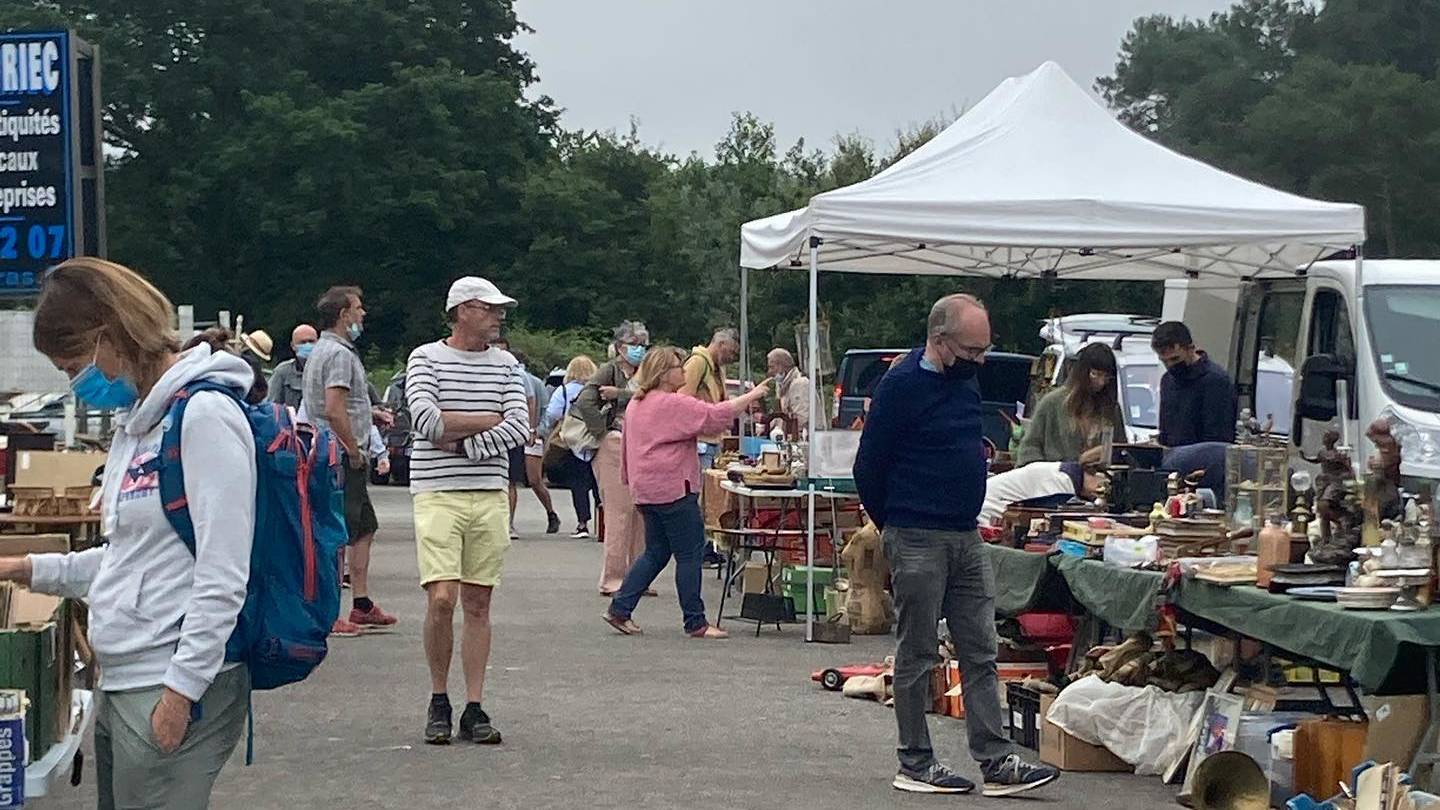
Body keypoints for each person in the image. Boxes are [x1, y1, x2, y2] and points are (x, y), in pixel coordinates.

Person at [0, 258, 255, 808]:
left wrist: (181, 692)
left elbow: (224, 570)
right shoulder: (138, 425)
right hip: (127, 679)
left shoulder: (204, 416)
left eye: (72, 366)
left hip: (170, 680)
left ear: (110, 336)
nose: (74, 383)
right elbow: (130, 556)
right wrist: (29, 569)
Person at [853, 293, 1059, 797]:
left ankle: (995, 759)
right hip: (917, 532)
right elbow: (868, 466)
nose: (980, 361)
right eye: (971, 350)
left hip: (965, 533)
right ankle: (916, 761)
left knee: (980, 648)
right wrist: (895, 523)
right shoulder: (901, 386)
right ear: (939, 340)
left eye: (984, 349)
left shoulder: (965, 382)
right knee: (917, 650)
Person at [406, 276, 530, 746]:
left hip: (488, 490)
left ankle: (474, 704)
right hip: (437, 490)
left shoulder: (507, 364)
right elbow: (425, 419)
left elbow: (520, 425)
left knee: (479, 601)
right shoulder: (426, 358)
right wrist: (488, 420)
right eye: (490, 308)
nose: (499, 316)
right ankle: (439, 696)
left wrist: (464, 442)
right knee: (441, 597)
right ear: (462, 311)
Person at [601, 347, 770, 639]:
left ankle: (621, 608)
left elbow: (629, 446)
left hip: (646, 490)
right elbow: (715, 416)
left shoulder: (636, 404)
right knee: (690, 553)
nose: (684, 371)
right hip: (673, 488)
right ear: (665, 374)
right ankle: (696, 622)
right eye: (679, 367)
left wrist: (630, 481)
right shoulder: (672, 404)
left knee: (656, 551)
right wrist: (752, 396)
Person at [303, 285, 397, 635]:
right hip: (340, 455)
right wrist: (354, 450)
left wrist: (369, 413)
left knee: (364, 528)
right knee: (338, 532)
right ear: (343, 314)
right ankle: (331, 612)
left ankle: (361, 603)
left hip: (327, 448)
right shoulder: (340, 355)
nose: (363, 314)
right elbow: (333, 408)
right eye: (358, 308)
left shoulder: (322, 350)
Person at [575, 320, 651, 596]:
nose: (640, 350)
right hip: (615, 442)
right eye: (634, 344)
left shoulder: (646, 371)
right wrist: (603, 432)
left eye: (643, 345)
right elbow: (585, 401)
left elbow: (653, 397)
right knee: (619, 512)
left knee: (641, 512)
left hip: (643, 444)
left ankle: (639, 576)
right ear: (620, 347)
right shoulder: (608, 370)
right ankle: (614, 578)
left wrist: (622, 394)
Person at [1015, 343, 1126, 466]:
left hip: (1100, 482)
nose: (1101, 382)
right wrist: (1065, 467)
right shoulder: (1052, 403)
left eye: (1106, 377)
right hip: (1056, 481)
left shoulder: (1111, 410)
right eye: (1095, 374)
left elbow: (1123, 453)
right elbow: (1029, 451)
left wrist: (1108, 453)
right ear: (1082, 372)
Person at [1152, 321, 1237, 447]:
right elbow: (1166, 429)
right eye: (1164, 361)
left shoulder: (1215, 381)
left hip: (1203, 457)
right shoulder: (1168, 380)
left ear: (1191, 349)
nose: (1170, 365)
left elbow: (1218, 436)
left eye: (1175, 359)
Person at [543, 354, 601, 538]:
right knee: (599, 484)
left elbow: (552, 414)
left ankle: (582, 524)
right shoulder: (598, 390)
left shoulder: (564, 391)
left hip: (572, 441)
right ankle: (604, 523)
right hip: (596, 439)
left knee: (579, 484)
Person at [508, 345, 561, 535]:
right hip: (512, 435)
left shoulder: (534, 382)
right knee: (509, 481)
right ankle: (509, 522)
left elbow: (545, 408)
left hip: (532, 435)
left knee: (534, 480)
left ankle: (551, 512)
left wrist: (538, 430)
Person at [680, 327, 739, 472]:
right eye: (731, 351)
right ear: (721, 344)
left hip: (713, 440)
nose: (732, 357)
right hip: (700, 441)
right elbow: (682, 400)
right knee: (701, 488)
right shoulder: (697, 363)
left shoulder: (718, 369)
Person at [978, 461, 1102, 526]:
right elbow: (1055, 520)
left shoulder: (1062, 473)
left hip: (989, 500)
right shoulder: (1063, 480)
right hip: (987, 507)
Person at [268, 324, 319, 410]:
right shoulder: (282, 372)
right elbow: (272, 406)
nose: (307, 345)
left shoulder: (327, 369)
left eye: (311, 341)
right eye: (302, 342)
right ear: (293, 346)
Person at [766, 347, 813, 437]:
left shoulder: (799, 383)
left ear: (783, 366)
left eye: (772, 367)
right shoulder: (782, 385)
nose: (769, 372)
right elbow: (781, 416)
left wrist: (777, 430)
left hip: (808, 439)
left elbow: (800, 420)